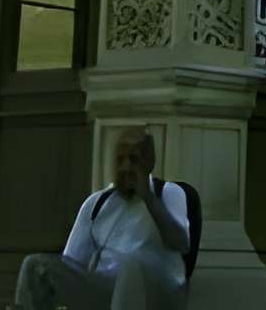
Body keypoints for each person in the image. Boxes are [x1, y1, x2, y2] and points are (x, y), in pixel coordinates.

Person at [16, 127, 192, 308]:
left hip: (156, 291)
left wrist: (147, 197)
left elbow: (181, 243)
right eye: (120, 160)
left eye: (133, 159)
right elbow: (73, 262)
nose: (125, 167)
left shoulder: (168, 193)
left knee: (130, 265)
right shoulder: (96, 203)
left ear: (148, 162)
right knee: (36, 266)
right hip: (103, 286)